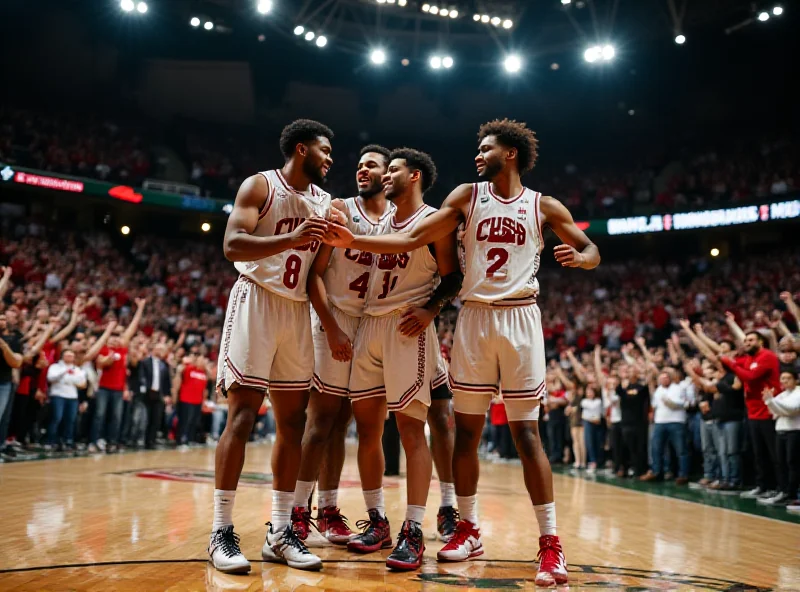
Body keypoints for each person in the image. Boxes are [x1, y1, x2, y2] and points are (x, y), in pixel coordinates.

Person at [324, 119, 601, 586]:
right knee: (466, 434)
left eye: (486, 147)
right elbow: (414, 237)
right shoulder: (466, 197)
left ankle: (551, 545)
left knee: (527, 435)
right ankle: (468, 528)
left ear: (510, 153)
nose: (478, 153)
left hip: (520, 318)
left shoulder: (543, 205)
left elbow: (590, 247)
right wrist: (356, 241)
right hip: (473, 317)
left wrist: (582, 258)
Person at [208, 119, 336, 575]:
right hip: (255, 301)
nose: (330, 158)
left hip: (296, 310)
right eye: (324, 150)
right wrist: (291, 238)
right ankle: (221, 530)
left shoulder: (326, 203)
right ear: (301, 150)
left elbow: (317, 271)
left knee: (292, 422)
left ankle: (280, 531)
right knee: (242, 416)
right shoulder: (260, 185)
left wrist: (332, 326)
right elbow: (232, 243)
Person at [334, 148, 461, 571]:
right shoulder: (381, 221)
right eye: (383, 170)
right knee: (367, 429)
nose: (386, 176)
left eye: (393, 170)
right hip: (370, 324)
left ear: (416, 176)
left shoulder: (434, 220)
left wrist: (431, 310)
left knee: (413, 430)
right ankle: (377, 520)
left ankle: (414, 529)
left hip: (408, 327)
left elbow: (453, 277)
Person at [292, 145, 396, 547]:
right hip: (334, 320)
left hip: (371, 328)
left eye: (370, 164)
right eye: (359, 165)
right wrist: (333, 328)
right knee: (321, 422)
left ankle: (331, 510)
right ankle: (300, 512)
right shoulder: (338, 208)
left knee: (349, 423)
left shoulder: (398, 218)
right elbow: (314, 276)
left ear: (387, 175)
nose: (361, 169)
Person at [720, 331, 783, 499]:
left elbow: (751, 376)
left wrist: (732, 364)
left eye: (751, 340)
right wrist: (727, 358)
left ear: (760, 341)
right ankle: (763, 486)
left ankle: (780, 488)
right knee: (758, 453)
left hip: (768, 411)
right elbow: (724, 359)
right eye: (745, 340)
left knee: (773, 454)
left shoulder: (767, 356)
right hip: (753, 412)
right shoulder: (749, 358)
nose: (747, 343)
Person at [91, 298, 146, 453]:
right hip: (104, 388)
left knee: (116, 417)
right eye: (113, 336)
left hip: (118, 388)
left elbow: (133, 327)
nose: (117, 338)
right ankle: (95, 441)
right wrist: (109, 356)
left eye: (118, 336)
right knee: (100, 415)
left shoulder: (123, 348)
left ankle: (112, 442)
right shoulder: (103, 349)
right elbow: (101, 363)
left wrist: (140, 308)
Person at [641, 368, 690, 484]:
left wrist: (670, 402)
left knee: (681, 449)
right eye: (661, 378)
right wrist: (652, 413)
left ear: (670, 378)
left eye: (666, 378)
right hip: (660, 422)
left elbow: (682, 403)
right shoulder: (658, 390)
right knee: (656, 448)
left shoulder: (679, 388)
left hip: (676, 421)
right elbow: (654, 405)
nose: (663, 380)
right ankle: (657, 472)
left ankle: (683, 474)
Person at [761, 371, 800, 506]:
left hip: (794, 431)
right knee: (781, 462)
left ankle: (792, 493)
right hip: (780, 431)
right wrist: (772, 403)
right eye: (782, 378)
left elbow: (792, 410)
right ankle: (783, 491)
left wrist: (771, 402)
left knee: (792, 463)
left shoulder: (798, 393)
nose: (784, 381)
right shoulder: (781, 395)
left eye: (788, 378)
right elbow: (773, 413)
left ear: (796, 380)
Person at [45, 349, 87, 451]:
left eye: (71, 356)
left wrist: (67, 379)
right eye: (67, 355)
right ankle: (51, 441)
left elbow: (82, 383)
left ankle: (68, 441)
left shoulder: (77, 369)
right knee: (57, 418)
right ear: (62, 356)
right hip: (58, 395)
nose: (69, 358)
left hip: (72, 397)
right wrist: (64, 374)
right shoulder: (55, 367)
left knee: (71, 420)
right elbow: (51, 378)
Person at [138, 343, 172, 449]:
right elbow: (141, 377)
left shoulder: (164, 365)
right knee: (145, 418)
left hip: (159, 394)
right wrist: (143, 390)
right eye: (159, 348)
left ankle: (151, 441)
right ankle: (141, 440)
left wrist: (167, 395)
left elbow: (167, 382)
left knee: (156, 419)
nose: (161, 351)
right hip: (147, 393)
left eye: (163, 349)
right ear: (154, 349)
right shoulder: (145, 362)